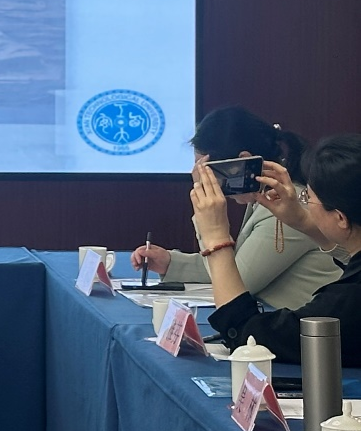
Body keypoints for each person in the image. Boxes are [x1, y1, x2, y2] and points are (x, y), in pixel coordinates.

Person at [131, 107, 340, 309]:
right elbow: (230, 265)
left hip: (307, 327)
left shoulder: (284, 207)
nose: (200, 178)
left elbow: (236, 283)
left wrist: (206, 218)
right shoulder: (263, 199)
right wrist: (171, 263)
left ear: (242, 161)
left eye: (206, 170)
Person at [196, 133, 361, 365]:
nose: (304, 203)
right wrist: (302, 221)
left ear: (341, 218)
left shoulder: (347, 299)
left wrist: (216, 238)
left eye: (308, 197)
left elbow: (250, 338)